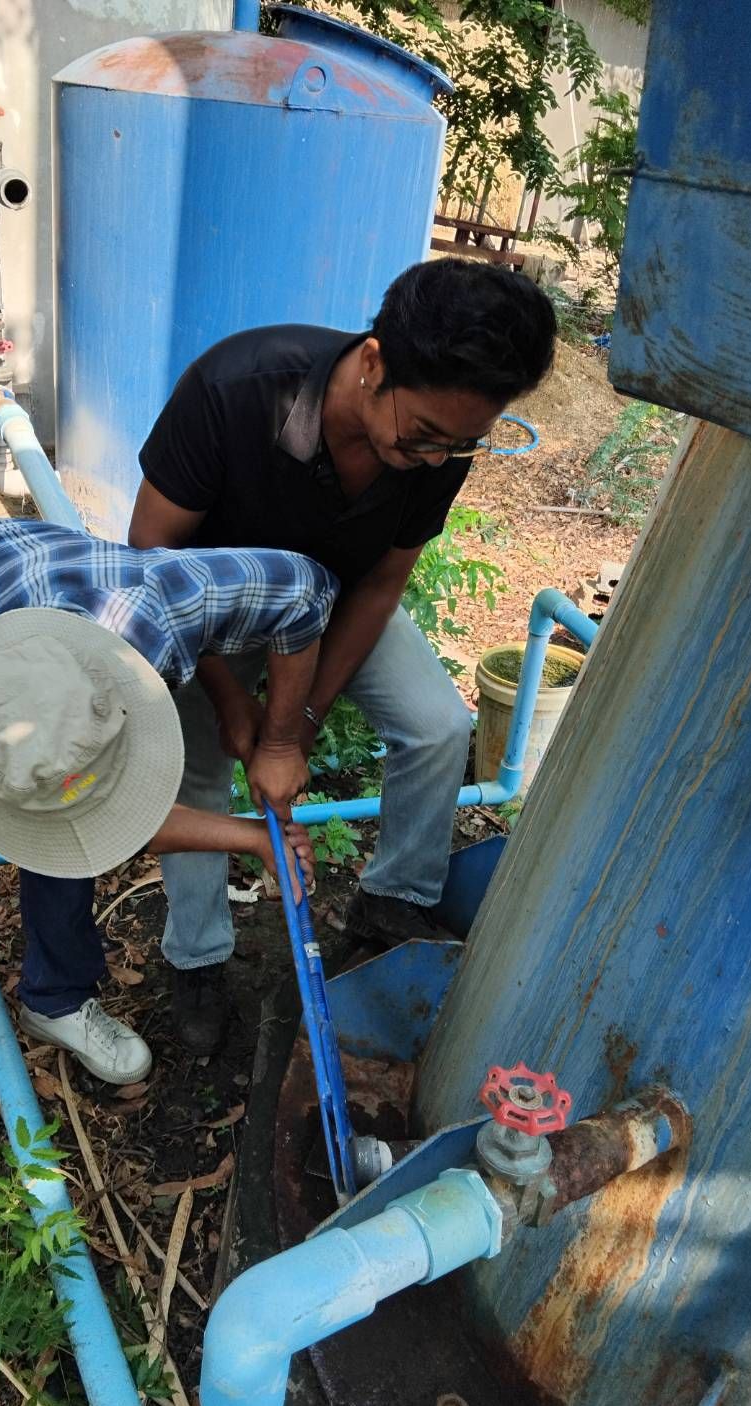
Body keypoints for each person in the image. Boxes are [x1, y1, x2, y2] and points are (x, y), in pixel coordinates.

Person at [0, 516, 335, 1223]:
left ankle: (55, 998)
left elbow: (306, 589)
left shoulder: (160, 604)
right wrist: (253, 839)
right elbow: (79, 821)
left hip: (4, 568)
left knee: (78, 804)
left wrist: (279, 740)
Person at [129, 257, 557, 1052]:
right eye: (423, 435)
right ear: (374, 363)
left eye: (460, 445)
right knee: (196, 769)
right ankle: (199, 957)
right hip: (204, 612)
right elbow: (152, 556)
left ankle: (393, 903)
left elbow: (381, 585)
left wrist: (296, 725)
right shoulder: (235, 391)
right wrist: (235, 704)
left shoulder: (439, 446)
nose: (436, 459)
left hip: (337, 605)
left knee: (436, 725)